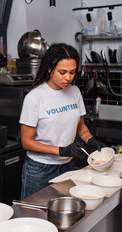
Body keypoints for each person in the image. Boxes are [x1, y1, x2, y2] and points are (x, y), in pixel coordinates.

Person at [19, 43, 105, 199]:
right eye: (62, 72)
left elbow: (80, 125)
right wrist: (62, 150)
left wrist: (90, 139)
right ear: (49, 69)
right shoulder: (35, 97)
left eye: (72, 72)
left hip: (67, 166)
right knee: (35, 216)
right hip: (40, 169)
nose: (68, 77)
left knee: (62, 215)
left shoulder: (74, 91)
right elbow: (26, 142)